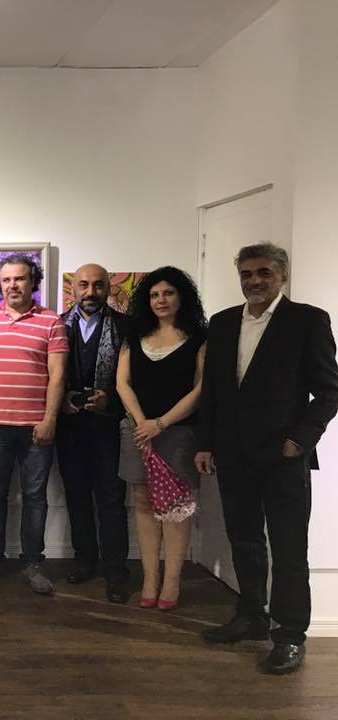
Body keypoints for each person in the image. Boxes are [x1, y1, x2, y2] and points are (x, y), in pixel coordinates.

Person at [195, 243, 338, 675]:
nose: (254, 281)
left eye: (264, 273)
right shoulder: (222, 323)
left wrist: (300, 440)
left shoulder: (308, 320)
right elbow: (213, 390)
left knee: (289, 550)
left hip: (283, 456)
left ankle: (290, 635)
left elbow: (329, 392)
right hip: (232, 454)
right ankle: (252, 615)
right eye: (247, 273)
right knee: (244, 541)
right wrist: (205, 442)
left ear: (283, 275)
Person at [0, 255, 68, 595]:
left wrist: (50, 419)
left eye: (19, 279)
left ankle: (33, 563)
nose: (13, 285)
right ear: (0, 284)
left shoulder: (51, 321)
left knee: (35, 497)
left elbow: (58, 375)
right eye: (6, 280)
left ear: (32, 281)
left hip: (36, 427)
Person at [116, 266, 207, 611]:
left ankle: (171, 582)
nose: (161, 300)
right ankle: (150, 579)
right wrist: (142, 424)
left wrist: (161, 423)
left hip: (180, 433)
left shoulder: (199, 338)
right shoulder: (134, 335)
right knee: (142, 503)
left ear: (182, 296)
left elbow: (200, 390)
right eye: (154, 294)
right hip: (137, 432)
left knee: (176, 509)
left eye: (168, 293)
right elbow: (122, 383)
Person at [55, 264, 131, 603]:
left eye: (98, 285)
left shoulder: (125, 326)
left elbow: (135, 377)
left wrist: (109, 399)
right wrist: (63, 398)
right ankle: (84, 560)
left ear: (108, 289)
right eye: (83, 285)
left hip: (109, 427)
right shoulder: (57, 324)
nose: (90, 292)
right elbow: (46, 373)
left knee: (112, 500)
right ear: (73, 289)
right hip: (69, 427)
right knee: (76, 496)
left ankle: (116, 572)